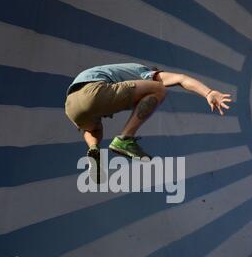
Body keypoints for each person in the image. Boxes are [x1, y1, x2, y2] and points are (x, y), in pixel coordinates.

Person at [65, 62, 232, 181]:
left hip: (71, 104)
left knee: (94, 129)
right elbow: (180, 78)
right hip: (94, 91)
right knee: (159, 90)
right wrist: (208, 92)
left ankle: (94, 150)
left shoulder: (119, 75)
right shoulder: (144, 72)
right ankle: (125, 139)